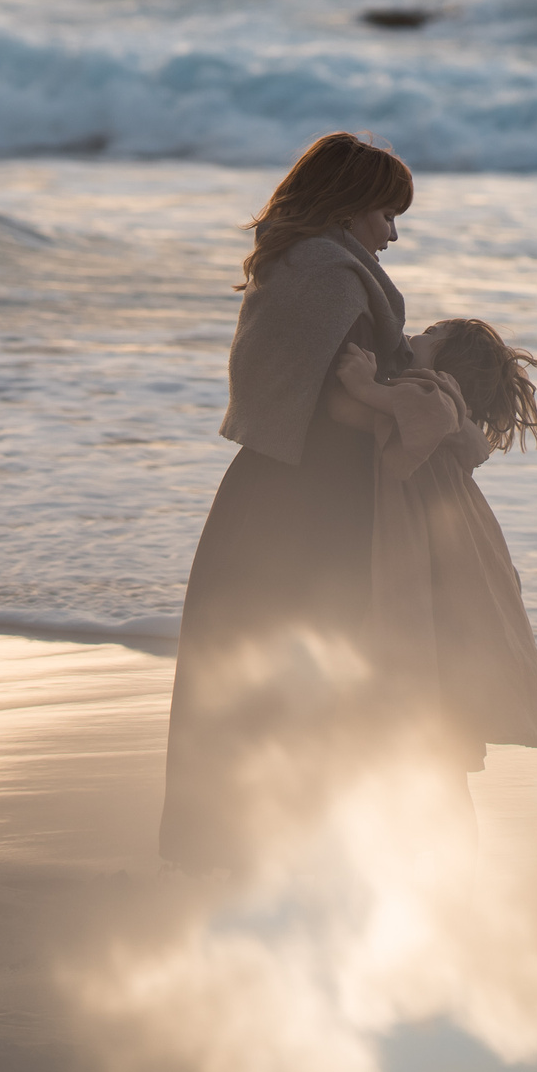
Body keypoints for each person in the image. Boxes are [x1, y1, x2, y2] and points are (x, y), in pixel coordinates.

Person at [159, 131, 414, 869]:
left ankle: (222, 854)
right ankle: (285, 860)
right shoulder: (334, 281)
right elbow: (340, 407)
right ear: (350, 205)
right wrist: (428, 406)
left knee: (243, 677)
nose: (392, 235)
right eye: (386, 214)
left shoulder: (290, 267)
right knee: (311, 674)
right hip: (311, 505)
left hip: (262, 492)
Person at [323, 318, 537, 771]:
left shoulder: (435, 392)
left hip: (422, 540)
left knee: (417, 644)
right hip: (457, 545)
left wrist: (367, 388)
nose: (416, 335)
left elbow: (416, 425)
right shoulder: (446, 408)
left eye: (431, 333)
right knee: (443, 673)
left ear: (449, 362)